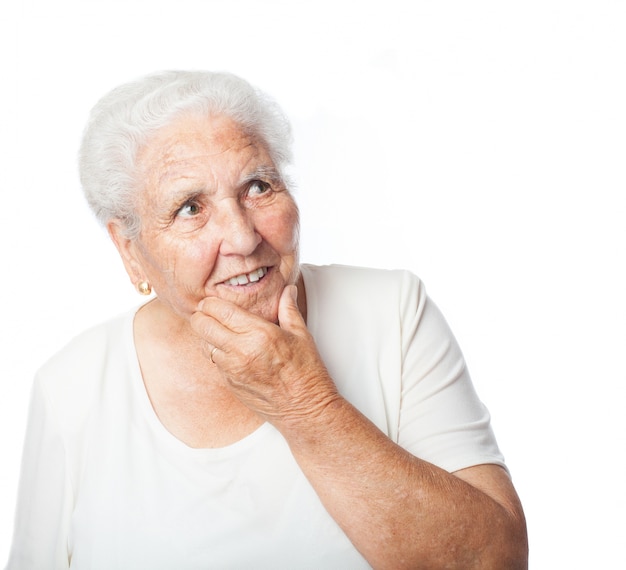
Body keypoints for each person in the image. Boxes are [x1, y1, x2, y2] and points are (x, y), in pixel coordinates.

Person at [6, 70, 527, 569]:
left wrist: (306, 405)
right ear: (130, 251)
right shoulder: (71, 388)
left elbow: (496, 562)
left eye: (257, 186)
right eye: (190, 207)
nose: (243, 237)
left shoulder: (392, 312)